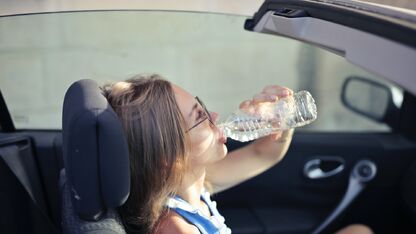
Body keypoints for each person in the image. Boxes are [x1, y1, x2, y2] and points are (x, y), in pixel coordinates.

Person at [102, 74, 372, 234]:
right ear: (169, 155)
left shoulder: (189, 184)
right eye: (200, 117)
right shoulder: (175, 228)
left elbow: (264, 155)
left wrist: (281, 120)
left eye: (203, 107)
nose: (215, 116)